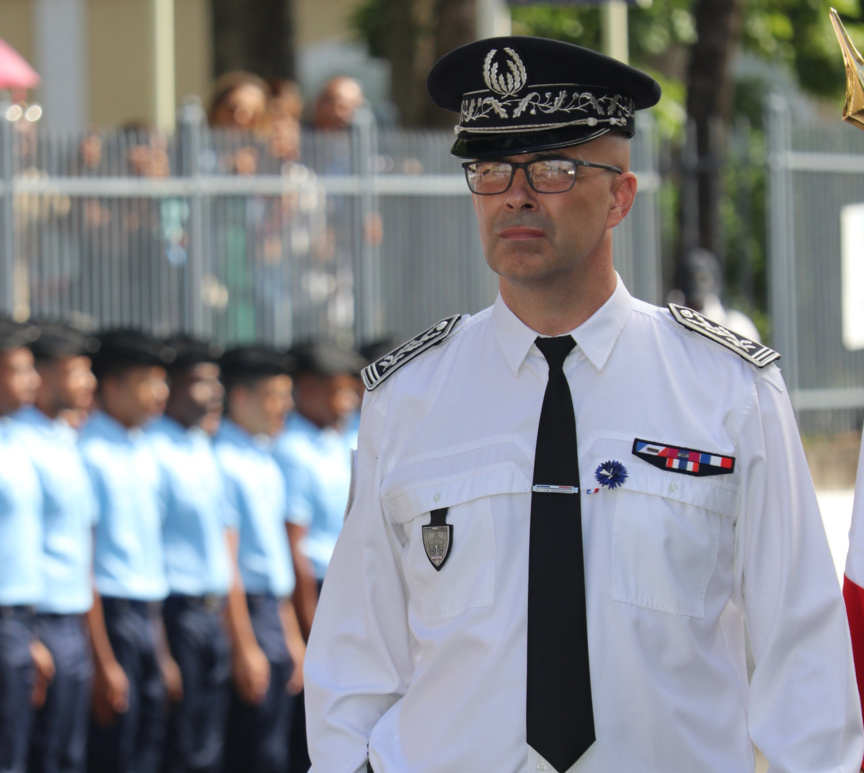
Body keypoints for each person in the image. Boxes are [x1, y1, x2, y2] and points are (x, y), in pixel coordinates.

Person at [303, 37, 864, 773]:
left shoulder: (728, 390)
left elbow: (803, 656)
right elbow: (353, 662)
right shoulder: (408, 398)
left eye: (553, 169)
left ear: (619, 197)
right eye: (491, 169)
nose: (516, 195)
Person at [80, 330, 176, 773]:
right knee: (115, 749)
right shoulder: (89, 453)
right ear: (113, 386)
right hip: (112, 617)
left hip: (148, 615)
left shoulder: (145, 450)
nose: (160, 393)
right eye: (146, 382)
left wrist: (162, 651)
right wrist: (102, 659)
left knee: (148, 746)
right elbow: (86, 562)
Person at [273, 340, 365, 772]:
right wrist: (311, 628)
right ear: (307, 389)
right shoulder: (292, 449)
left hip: (347, 587)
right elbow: (296, 544)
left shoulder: (339, 437)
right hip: (315, 589)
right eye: (337, 391)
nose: (347, 402)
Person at [213, 346, 305, 773]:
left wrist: (291, 637)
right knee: (251, 749)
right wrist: (244, 646)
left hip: (272, 613)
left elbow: (275, 564)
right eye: (273, 395)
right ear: (241, 397)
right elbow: (227, 564)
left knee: (275, 748)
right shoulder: (223, 462)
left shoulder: (263, 458)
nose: (284, 406)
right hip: (245, 614)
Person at [145, 335, 232, 773]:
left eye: (216, 382)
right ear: (174, 386)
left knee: (209, 745)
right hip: (176, 614)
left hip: (212, 613)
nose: (214, 393)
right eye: (201, 382)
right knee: (180, 746)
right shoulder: (153, 450)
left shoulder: (201, 445)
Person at [14, 320, 99, 773]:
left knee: (69, 755)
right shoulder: (19, 441)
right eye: (75, 372)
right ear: (43, 377)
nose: (88, 383)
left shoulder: (65, 438)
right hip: (39, 621)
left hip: (73, 621)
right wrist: (27, 634)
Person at [0, 317, 52, 773]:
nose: (33, 380)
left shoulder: (14, 440)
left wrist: (28, 636)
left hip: (18, 624)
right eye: (19, 369)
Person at [671, 246, 762, 343]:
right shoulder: (670, 325)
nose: (697, 285)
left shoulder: (738, 326)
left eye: (703, 279)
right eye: (690, 280)